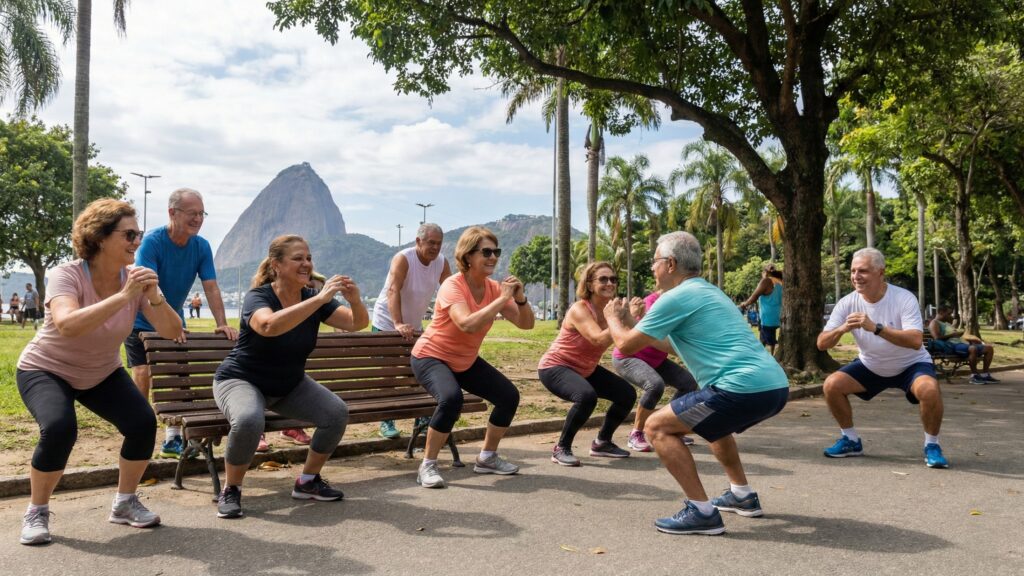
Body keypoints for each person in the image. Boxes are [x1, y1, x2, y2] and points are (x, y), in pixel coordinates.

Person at [15, 199, 184, 545]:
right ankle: (37, 511)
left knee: (142, 423)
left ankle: (124, 503)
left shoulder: (135, 280)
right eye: (129, 234)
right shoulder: (68, 274)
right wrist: (126, 296)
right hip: (46, 369)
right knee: (60, 428)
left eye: (138, 234)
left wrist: (153, 296)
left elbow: (172, 331)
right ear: (100, 237)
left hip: (100, 372)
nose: (137, 241)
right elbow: (66, 325)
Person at [605, 231, 789, 536]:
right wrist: (637, 326)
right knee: (714, 426)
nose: (652, 267)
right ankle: (742, 495)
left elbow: (624, 345)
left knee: (657, 428)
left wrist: (614, 317)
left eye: (655, 261)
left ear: (671, 263)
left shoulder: (676, 297)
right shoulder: (708, 292)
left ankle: (702, 512)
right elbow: (676, 345)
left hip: (739, 387)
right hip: (774, 386)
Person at [211, 235, 368, 519]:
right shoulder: (258, 296)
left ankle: (308, 481)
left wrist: (355, 300)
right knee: (248, 419)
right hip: (241, 380)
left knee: (335, 413)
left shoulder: (313, 300)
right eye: (298, 258)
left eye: (308, 258)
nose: (306, 263)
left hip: (288, 385)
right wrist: (320, 298)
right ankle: (231, 488)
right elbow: (268, 325)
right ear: (277, 265)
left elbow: (357, 323)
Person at [410, 226, 534, 488]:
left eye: (496, 252)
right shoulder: (452, 285)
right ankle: (428, 465)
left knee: (508, 396)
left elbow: (526, 325)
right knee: (451, 398)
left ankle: (487, 457)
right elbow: (467, 323)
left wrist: (520, 300)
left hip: (464, 361)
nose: (493, 257)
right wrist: (502, 300)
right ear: (467, 256)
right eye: (486, 252)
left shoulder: (493, 289)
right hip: (431, 357)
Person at [123, 188, 239, 460]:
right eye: (192, 213)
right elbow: (146, 286)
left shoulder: (201, 246)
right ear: (172, 213)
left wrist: (222, 323)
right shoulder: (151, 242)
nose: (198, 219)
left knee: (178, 376)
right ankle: (139, 436)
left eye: (201, 214)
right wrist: (163, 324)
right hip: (140, 319)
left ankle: (173, 438)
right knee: (143, 375)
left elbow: (210, 286)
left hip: (174, 319)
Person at [817, 248, 948, 469]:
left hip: (911, 364)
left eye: (863, 271)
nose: (856, 276)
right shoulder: (847, 302)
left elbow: (916, 340)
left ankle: (932, 446)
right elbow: (821, 343)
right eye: (853, 271)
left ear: (880, 272)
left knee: (930, 389)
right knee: (832, 385)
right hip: (871, 365)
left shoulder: (903, 298)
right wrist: (842, 328)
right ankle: (850, 440)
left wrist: (875, 328)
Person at [539, 262, 637, 466]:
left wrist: (634, 318)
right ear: (590, 284)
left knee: (626, 394)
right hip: (556, 366)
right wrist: (616, 320)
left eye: (613, 279)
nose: (610, 283)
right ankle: (561, 448)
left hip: (586, 368)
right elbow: (598, 339)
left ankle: (602, 442)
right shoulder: (579, 309)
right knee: (585, 396)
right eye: (603, 279)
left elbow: (629, 340)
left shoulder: (613, 309)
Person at [372, 223, 452, 439]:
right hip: (387, 322)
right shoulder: (404, 258)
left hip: (415, 327)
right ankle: (386, 422)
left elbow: (450, 292)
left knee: (421, 373)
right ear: (418, 242)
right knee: (387, 376)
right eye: (430, 243)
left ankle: (423, 423)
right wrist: (397, 323)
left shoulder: (442, 263)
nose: (435, 248)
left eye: (438, 244)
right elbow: (393, 289)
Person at [611, 290, 698, 452]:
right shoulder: (651, 301)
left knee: (688, 383)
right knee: (655, 385)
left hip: (656, 360)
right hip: (628, 357)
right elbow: (652, 328)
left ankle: (670, 427)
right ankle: (636, 433)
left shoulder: (682, 303)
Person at [928, 306, 999, 385]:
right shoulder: (934, 323)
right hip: (952, 346)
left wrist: (968, 339)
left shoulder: (946, 323)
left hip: (962, 344)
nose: (951, 316)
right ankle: (974, 376)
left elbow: (957, 335)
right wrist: (953, 334)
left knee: (989, 348)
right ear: (941, 312)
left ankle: (985, 375)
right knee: (972, 349)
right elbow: (936, 337)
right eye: (948, 314)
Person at [740, 264, 783, 355]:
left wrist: (744, 304)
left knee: (767, 342)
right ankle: (768, 355)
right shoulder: (780, 281)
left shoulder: (766, 281)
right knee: (767, 340)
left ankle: (768, 358)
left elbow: (754, 297)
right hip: (778, 318)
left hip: (767, 319)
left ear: (765, 272)